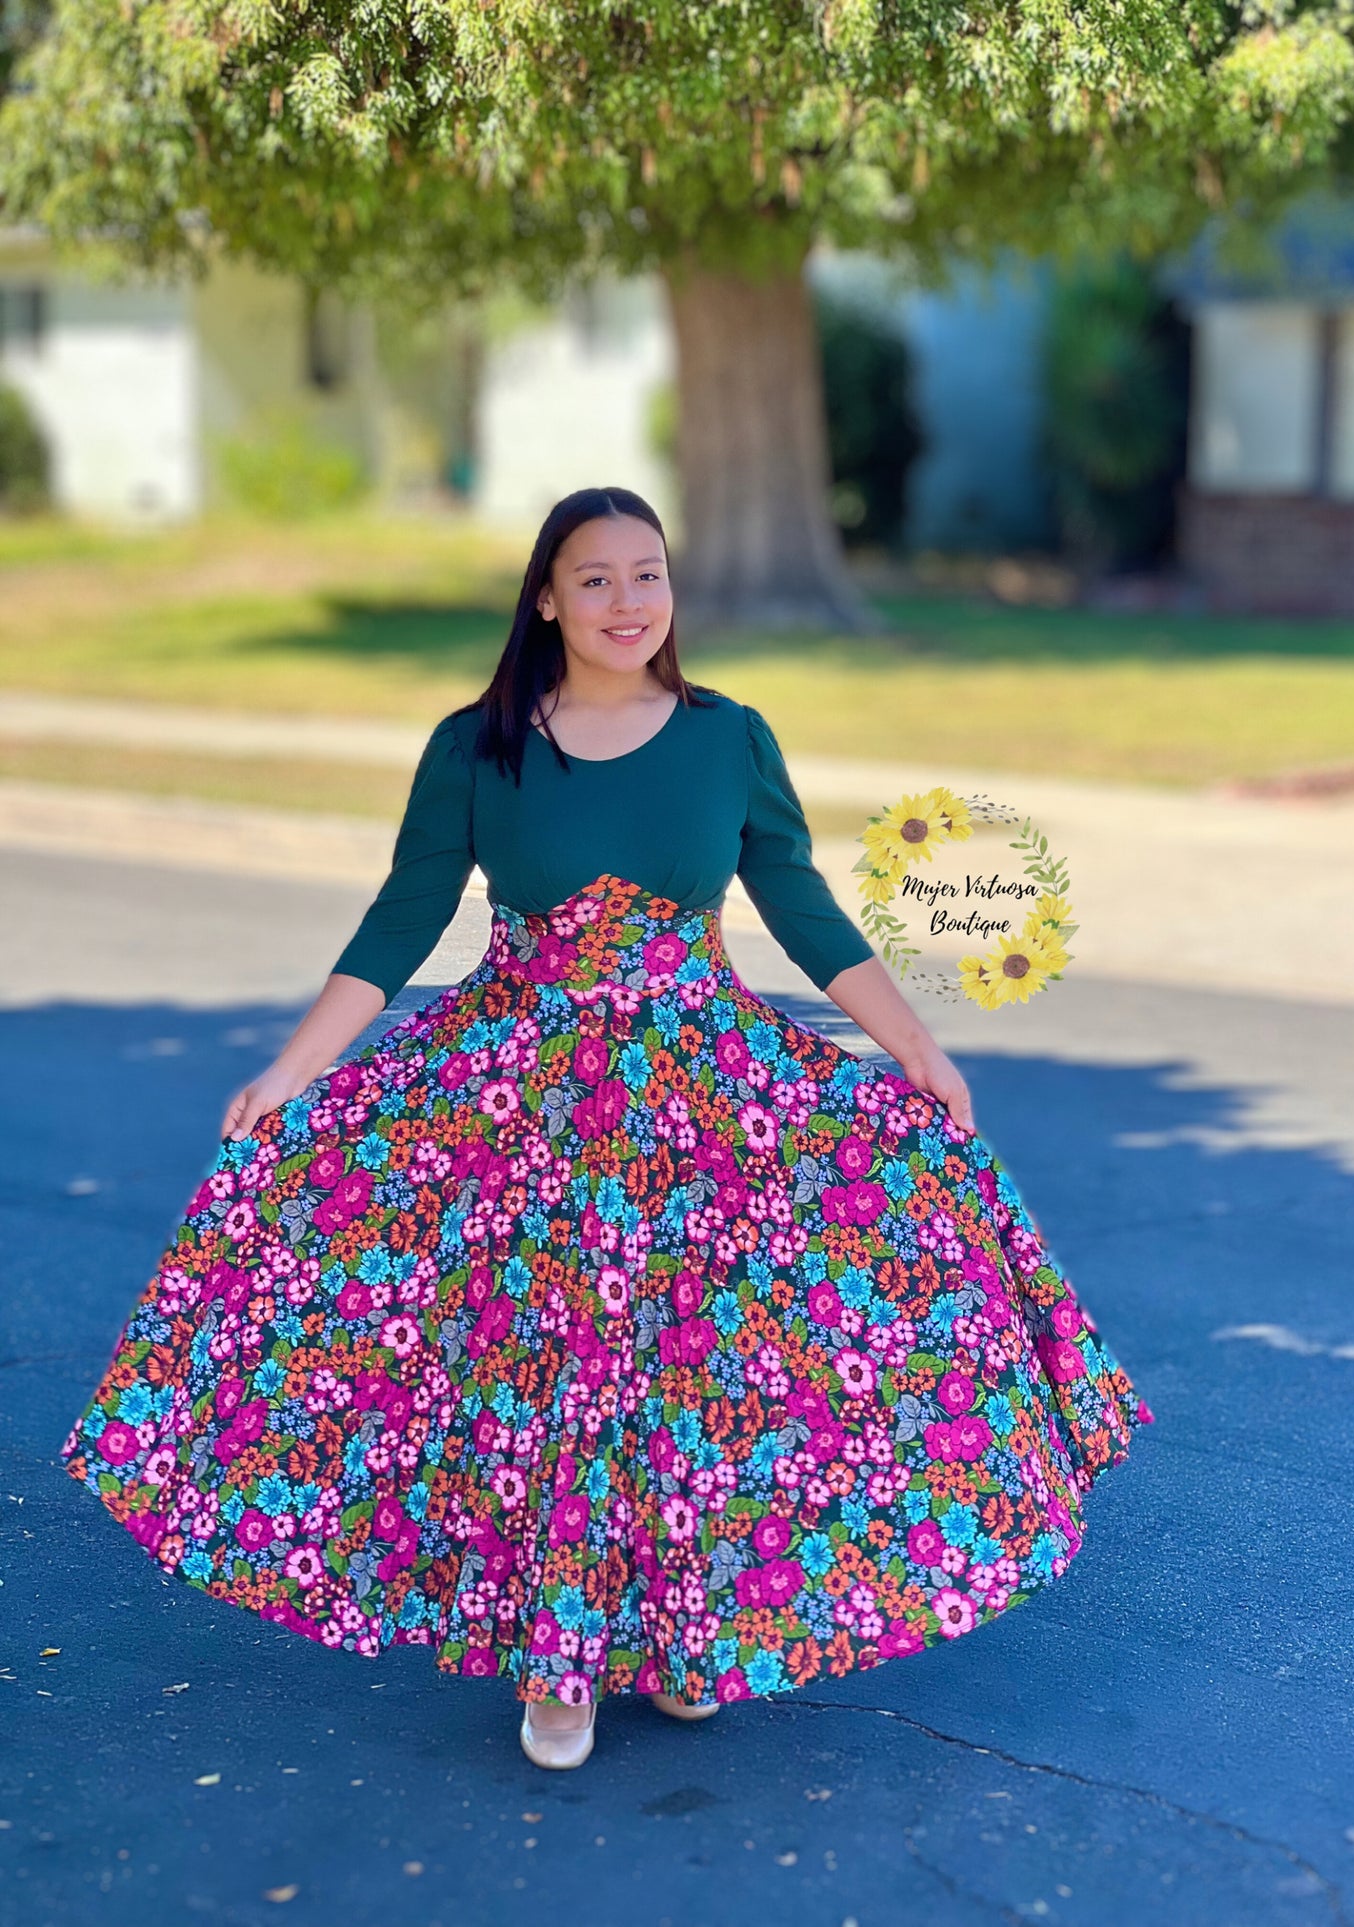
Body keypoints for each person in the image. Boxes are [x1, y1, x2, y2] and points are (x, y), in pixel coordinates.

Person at [61, 485, 1154, 1771]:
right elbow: (404, 913)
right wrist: (295, 1070)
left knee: (694, 1379)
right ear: (545, 597)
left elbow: (796, 901)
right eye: (595, 579)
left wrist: (915, 1047)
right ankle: (559, 1662)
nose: (627, 602)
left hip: (702, 1094)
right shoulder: (478, 745)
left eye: (648, 575)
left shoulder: (727, 738)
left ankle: (689, 1636)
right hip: (517, 1096)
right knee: (556, 1376)